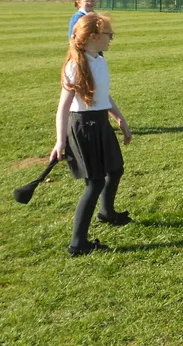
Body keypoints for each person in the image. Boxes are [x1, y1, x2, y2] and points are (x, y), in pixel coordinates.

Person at [50, 13, 133, 256]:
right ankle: (78, 244)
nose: (112, 39)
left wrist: (119, 118)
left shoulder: (100, 60)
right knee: (94, 182)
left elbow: (103, 96)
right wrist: (60, 141)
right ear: (95, 36)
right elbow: (63, 107)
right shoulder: (75, 66)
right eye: (109, 34)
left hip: (100, 123)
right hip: (83, 127)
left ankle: (107, 213)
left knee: (115, 169)